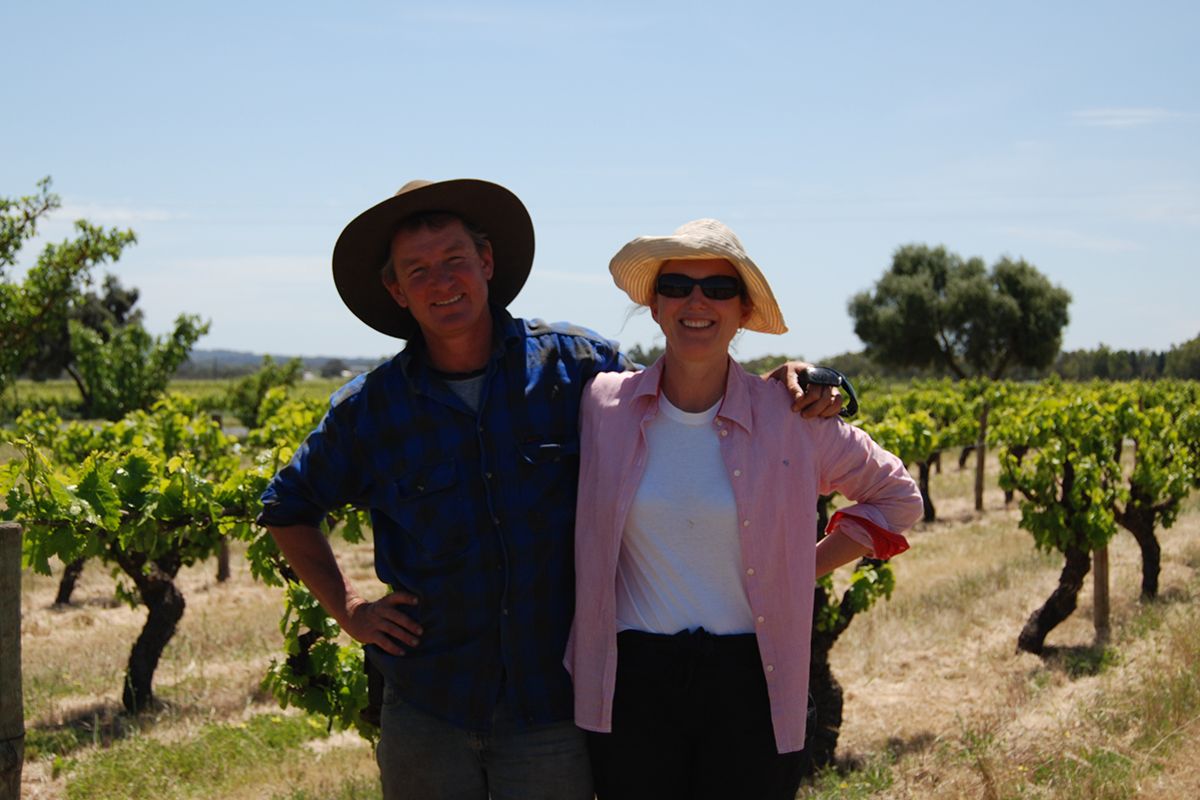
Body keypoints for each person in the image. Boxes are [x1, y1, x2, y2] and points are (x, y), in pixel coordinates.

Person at [258, 180, 845, 800]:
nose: (441, 281)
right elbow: (287, 507)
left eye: (455, 260)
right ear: (396, 290)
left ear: (486, 263)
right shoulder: (369, 410)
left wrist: (785, 385)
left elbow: (684, 389)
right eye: (418, 270)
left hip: (552, 706)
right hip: (430, 702)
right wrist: (351, 610)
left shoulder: (580, 370)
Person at [565, 218, 924, 800]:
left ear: (741, 311)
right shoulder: (602, 406)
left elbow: (898, 498)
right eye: (676, 286)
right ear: (655, 307)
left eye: (718, 289)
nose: (696, 301)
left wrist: (794, 569)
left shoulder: (791, 418)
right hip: (632, 683)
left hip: (750, 681)